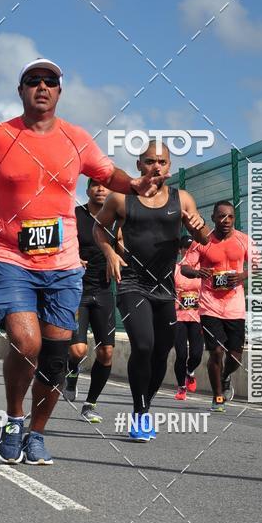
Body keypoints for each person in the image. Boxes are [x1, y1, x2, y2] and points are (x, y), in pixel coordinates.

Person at [0, 58, 166, 466]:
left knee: (55, 355)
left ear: (59, 91)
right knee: (26, 343)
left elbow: (106, 172)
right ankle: (14, 420)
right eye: (33, 81)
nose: (42, 86)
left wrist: (134, 183)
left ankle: (37, 433)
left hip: (63, 263)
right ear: (21, 90)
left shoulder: (76, 138)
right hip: (11, 257)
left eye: (50, 81)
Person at [94, 140, 209, 441]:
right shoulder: (121, 199)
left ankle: (146, 404)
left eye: (162, 162)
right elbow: (98, 228)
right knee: (143, 345)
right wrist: (109, 254)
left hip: (165, 288)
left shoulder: (182, 199)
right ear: (139, 165)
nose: (156, 166)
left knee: (161, 354)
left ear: (169, 167)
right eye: (149, 161)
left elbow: (205, 238)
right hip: (133, 283)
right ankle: (141, 412)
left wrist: (198, 226)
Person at [182, 200, 252, 411]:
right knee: (217, 352)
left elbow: (260, 265)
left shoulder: (243, 240)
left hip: (235, 307)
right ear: (213, 218)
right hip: (209, 306)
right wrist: (197, 272)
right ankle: (217, 396)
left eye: (230, 216)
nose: (226, 220)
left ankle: (224, 376)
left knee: (235, 357)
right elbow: (185, 267)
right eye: (221, 216)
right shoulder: (202, 241)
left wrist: (243, 275)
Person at [64, 179, 116, 424]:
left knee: (106, 352)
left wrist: (117, 257)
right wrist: (74, 259)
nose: (100, 189)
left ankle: (90, 404)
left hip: (104, 290)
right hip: (78, 290)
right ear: (87, 190)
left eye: (105, 186)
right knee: (78, 350)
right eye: (95, 185)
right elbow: (61, 243)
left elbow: (125, 245)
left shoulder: (117, 217)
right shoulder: (75, 215)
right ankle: (72, 370)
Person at [173, 236, 204, 400]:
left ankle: (190, 372)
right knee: (181, 354)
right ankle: (181, 387)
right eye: (185, 248)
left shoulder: (201, 269)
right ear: (180, 250)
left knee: (197, 354)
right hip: (179, 316)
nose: (189, 251)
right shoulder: (176, 269)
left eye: (192, 248)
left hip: (198, 317)